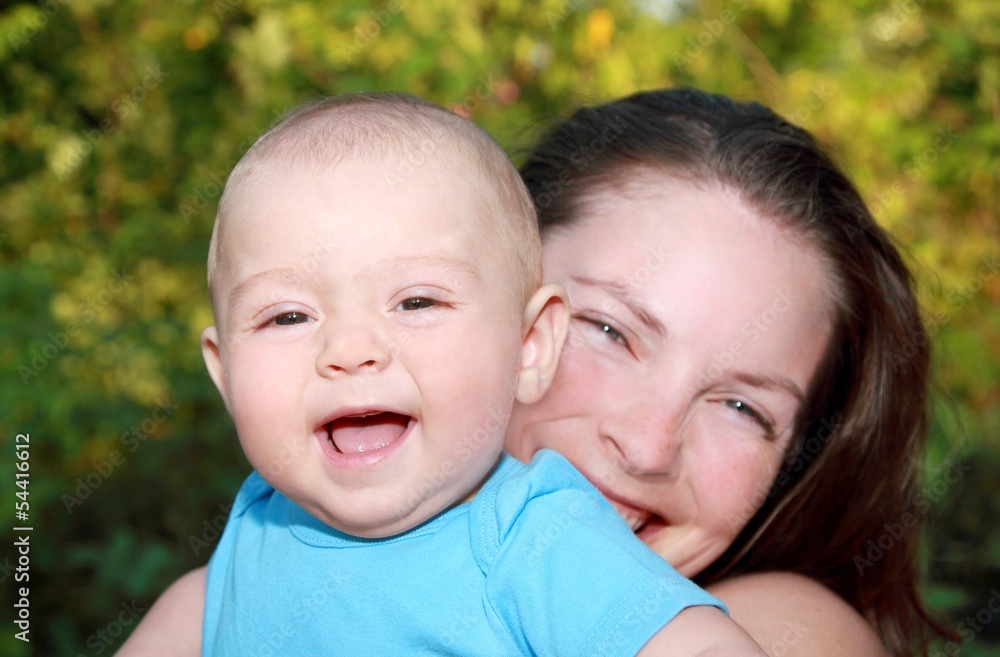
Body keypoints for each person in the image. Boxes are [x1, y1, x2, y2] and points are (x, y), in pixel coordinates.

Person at [120, 91, 767, 656]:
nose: (349, 348)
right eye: (288, 315)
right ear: (225, 371)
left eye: (417, 302)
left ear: (529, 345)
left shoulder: (534, 537)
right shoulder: (256, 528)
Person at [505, 87, 953, 657]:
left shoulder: (779, 630)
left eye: (741, 408)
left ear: (795, 466)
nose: (649, 447)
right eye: (610, 331)